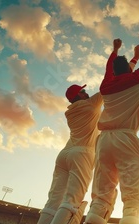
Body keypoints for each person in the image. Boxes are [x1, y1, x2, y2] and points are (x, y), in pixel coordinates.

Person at [84, 29, 139, 224]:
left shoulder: (105, 86)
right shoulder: (138, 79)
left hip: (104, 139)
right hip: (126, 137)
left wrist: (115, 50)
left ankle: (94, 217)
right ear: (129, 69)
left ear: (114, 72)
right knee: (131, 193)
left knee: (101, 194)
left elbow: (109, 68)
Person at [37, 84, 103, 224]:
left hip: (64, 155)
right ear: (78, 95)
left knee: (52, 202)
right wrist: (132, 63)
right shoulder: (91, 104)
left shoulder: (69, 112)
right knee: (71, 201)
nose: (86, 93)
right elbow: (110, 84)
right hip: (82, 154)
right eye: (83, 91)